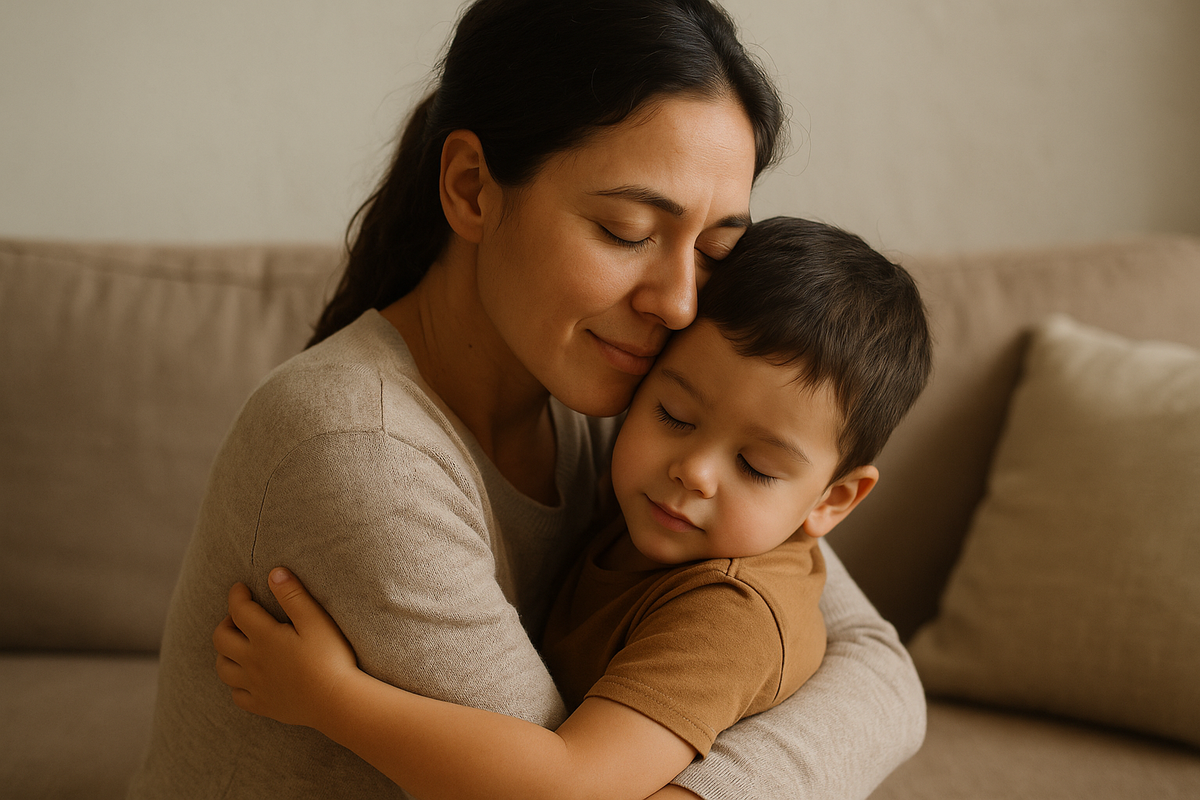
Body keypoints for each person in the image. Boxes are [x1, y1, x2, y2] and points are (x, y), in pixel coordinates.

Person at [128, 1, 926, 797]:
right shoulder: (361, 449)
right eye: (625, 231)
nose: (681, 303)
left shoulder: (650, 390)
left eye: (717, 251)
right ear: (473, 188)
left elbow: (878, 669)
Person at [213, 216, 933, 800]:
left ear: (833, 501)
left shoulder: (729, 612)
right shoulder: (641, 498)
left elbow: (568, 788)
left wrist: (333, 700)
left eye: (755, 465)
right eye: (676, 416)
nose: (695, 472)